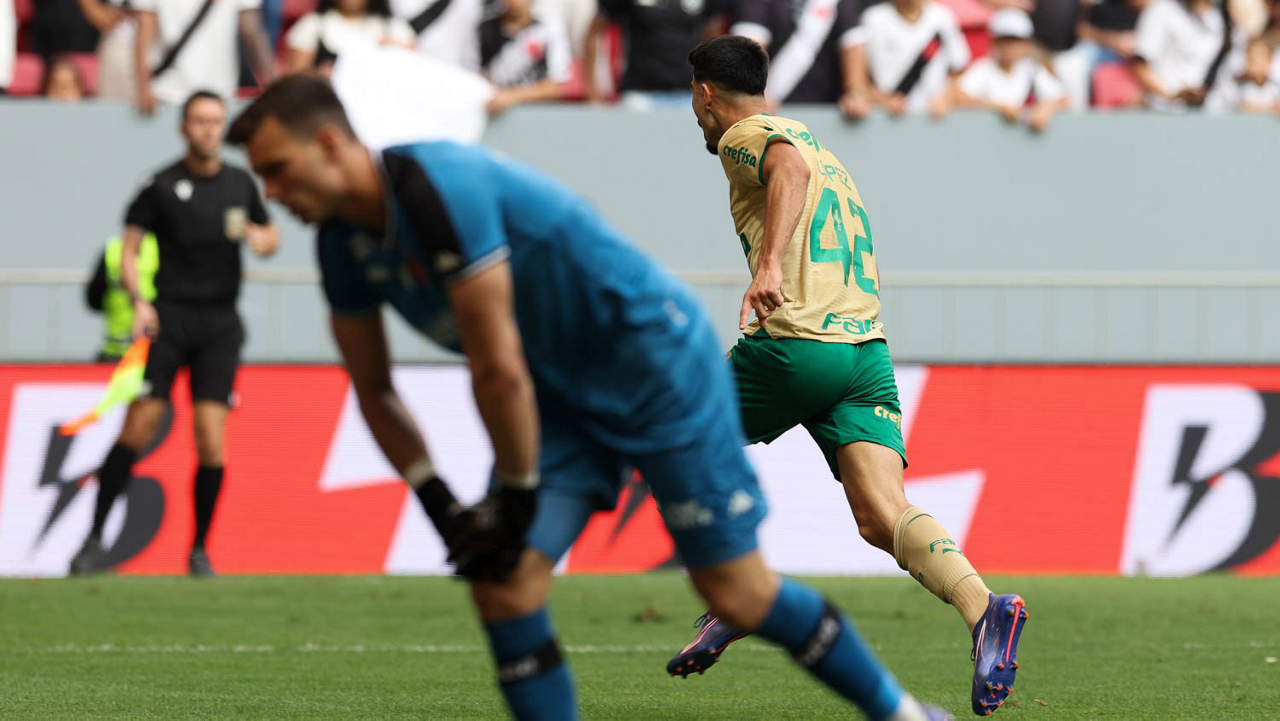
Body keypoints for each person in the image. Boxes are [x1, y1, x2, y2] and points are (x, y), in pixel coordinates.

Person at [227, 73, 951, 721]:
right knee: (504, 585)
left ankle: (903, 714)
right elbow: (375, 389)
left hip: (655, 365)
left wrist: (514, 497)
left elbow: (497, 369)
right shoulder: (340, 245)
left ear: (329, 143)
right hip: (562, 391)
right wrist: (439, 503)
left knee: (737, 593)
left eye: (276, 171)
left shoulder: (435, 189)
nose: (271, 196)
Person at [675, 36, 1029, 717]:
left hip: (798, 345)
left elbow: (784, 169)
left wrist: (769, 265)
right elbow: (807, 181)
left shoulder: (747, 136)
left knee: (674, 429)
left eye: (694, 98)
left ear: (704, 92)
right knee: (881, 513)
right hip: (864, 350)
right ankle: (984, 608)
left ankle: (738, 592)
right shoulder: (824, 151)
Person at [69, 91, 280, 577]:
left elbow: (270, 235)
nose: (209, 129)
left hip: (220, 325)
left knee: (210, 438)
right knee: (139, 428)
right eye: (200, 121)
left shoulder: (240, 183)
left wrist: (260, 239)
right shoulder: (161, 184)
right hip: (169, 320)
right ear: (184, 127)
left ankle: (199, 550)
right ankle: (93, 540)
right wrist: (140, 300)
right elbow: (128, 249)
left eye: (216, 121)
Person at [132, 0, 276, 115]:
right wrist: (143, 87)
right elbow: (251, 30)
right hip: (169, 92)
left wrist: (274, 86)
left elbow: (251, 30)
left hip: (214, 91)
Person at [730, 0, 872, 116]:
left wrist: (856, 93)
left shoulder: (838, 3)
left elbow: (852, 47)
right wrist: (755, 93)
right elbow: (748, 51)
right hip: (770, 115)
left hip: (825, 116)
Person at [584, 0, 727, 109]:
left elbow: (712, 36)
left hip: (688, 95)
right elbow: (594, 31)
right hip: (640, 95)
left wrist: (709, 87)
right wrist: (593, 93)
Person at [955, 9, 1068, 131]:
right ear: (994, 42)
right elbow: (959, 98)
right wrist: (998, 108)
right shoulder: (984, 68)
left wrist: (1046, 108)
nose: (1008, 47)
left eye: (1014, 41)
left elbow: (1063, 100)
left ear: (1026, 44)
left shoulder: (1032, 70)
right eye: (1003, 40)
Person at [858, 0, 971, 118]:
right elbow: (860, 76)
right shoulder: (873, 19)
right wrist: (881, 100)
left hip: (934, 118)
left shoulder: (943, 17)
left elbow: (958, 70)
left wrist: (946, 98)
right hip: (885, 117)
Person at [1130, 0, 1245, 111]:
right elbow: (1140, 65)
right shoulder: (1162, 10)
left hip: (1216, 111)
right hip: (1169, 111)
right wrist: (1172, 96)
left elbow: (1235, 67)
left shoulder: (1224, 16)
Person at [480, 0, 574, 114]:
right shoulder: (483, 29)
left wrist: (512, 96)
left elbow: (556, 87)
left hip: (539, 113)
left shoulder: (549, 28)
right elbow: (476, 76)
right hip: (494, 112)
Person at [284, 0, 416, 76]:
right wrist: (318, 79)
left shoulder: (393, 27)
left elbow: (414, 71)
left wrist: (394, 50)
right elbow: (295, 82)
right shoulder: (313, 25)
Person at [85, 234, 160, 363]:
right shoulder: (164, 250)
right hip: (156, 353)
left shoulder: (113, 249)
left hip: (116, 353)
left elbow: (93, 300)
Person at [1219, 36, 1280, 112]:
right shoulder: (1238, 87)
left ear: (1269, 61)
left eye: (1260, 59)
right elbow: (1236, 107)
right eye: (1251, 59)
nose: (1256, 64)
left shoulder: (1276, 88)